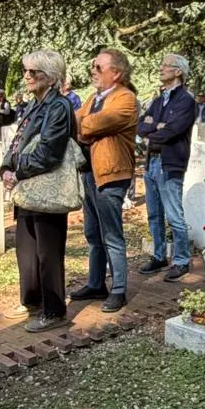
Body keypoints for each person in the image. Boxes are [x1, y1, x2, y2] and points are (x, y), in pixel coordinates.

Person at [1, 51, 77, 333]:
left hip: (47, 189)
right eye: (26, 71)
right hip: (27, 188)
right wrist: (6, 168)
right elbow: (17, 142)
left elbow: (49, 152)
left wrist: (17, 171)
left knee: (48, 252)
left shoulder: (59, 107)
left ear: (52, 77)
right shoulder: (35, 105)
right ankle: (32, 302)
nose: (27, 76)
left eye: (35, 72)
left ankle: (55, 310)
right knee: (27, 250)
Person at [71, 49, 138, 314]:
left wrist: (84, 128)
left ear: (117, 73)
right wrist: (84, 127)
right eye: (93, 66)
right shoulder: (93, 98)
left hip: (111, 174)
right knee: (92, 232)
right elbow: (76, 122)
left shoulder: (125, 99)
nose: (93, 71)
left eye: (99, 67)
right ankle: (96, 283)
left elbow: (92, 125)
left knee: (111, 234)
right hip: (90, 173)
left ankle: (119, 289)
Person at [136, 53, 197, 283]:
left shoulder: (186, 100)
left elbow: (173, 130)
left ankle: (181, 260)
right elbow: (142, 124)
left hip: (170, 163)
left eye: (166, 66)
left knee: (174, 215)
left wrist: (154, 130)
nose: (161, 69)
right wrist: (153, 128)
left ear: (178, 71)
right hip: (151, 161)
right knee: (154, 214)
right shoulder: (159, 98)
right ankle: (159, 256)